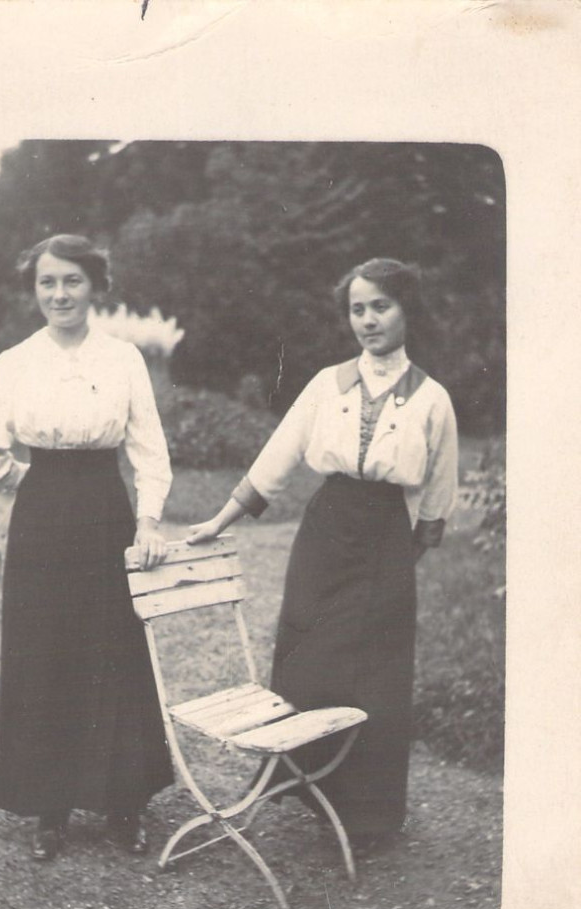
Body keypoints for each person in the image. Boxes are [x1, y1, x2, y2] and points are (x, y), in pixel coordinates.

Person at [187, 258, 458, 846]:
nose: (368, 320)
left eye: (380, 306)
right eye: (357, 309)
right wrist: (219, 519)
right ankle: (304, 790)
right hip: (325, 533)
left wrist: (402, 560)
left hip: (387, 536)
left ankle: (369, 815)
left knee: (376, 677)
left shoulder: (433, 399)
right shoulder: (326, 383)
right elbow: (277, 459)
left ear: (407, 309)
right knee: (310, 662)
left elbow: (437, 496)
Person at [0, 233, 174, 861]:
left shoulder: (123, 359)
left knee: (114, 651)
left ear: (95, 287)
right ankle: (49, 810)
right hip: (43, 519)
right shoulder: (15, 361)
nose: (59, 294)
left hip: (108, 514)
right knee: (45, 653)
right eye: (47, 283)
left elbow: (150, 453)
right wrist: (35, 481)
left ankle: (123, 806)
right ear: (35, 290)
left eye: (72, 281)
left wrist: (149, 523)